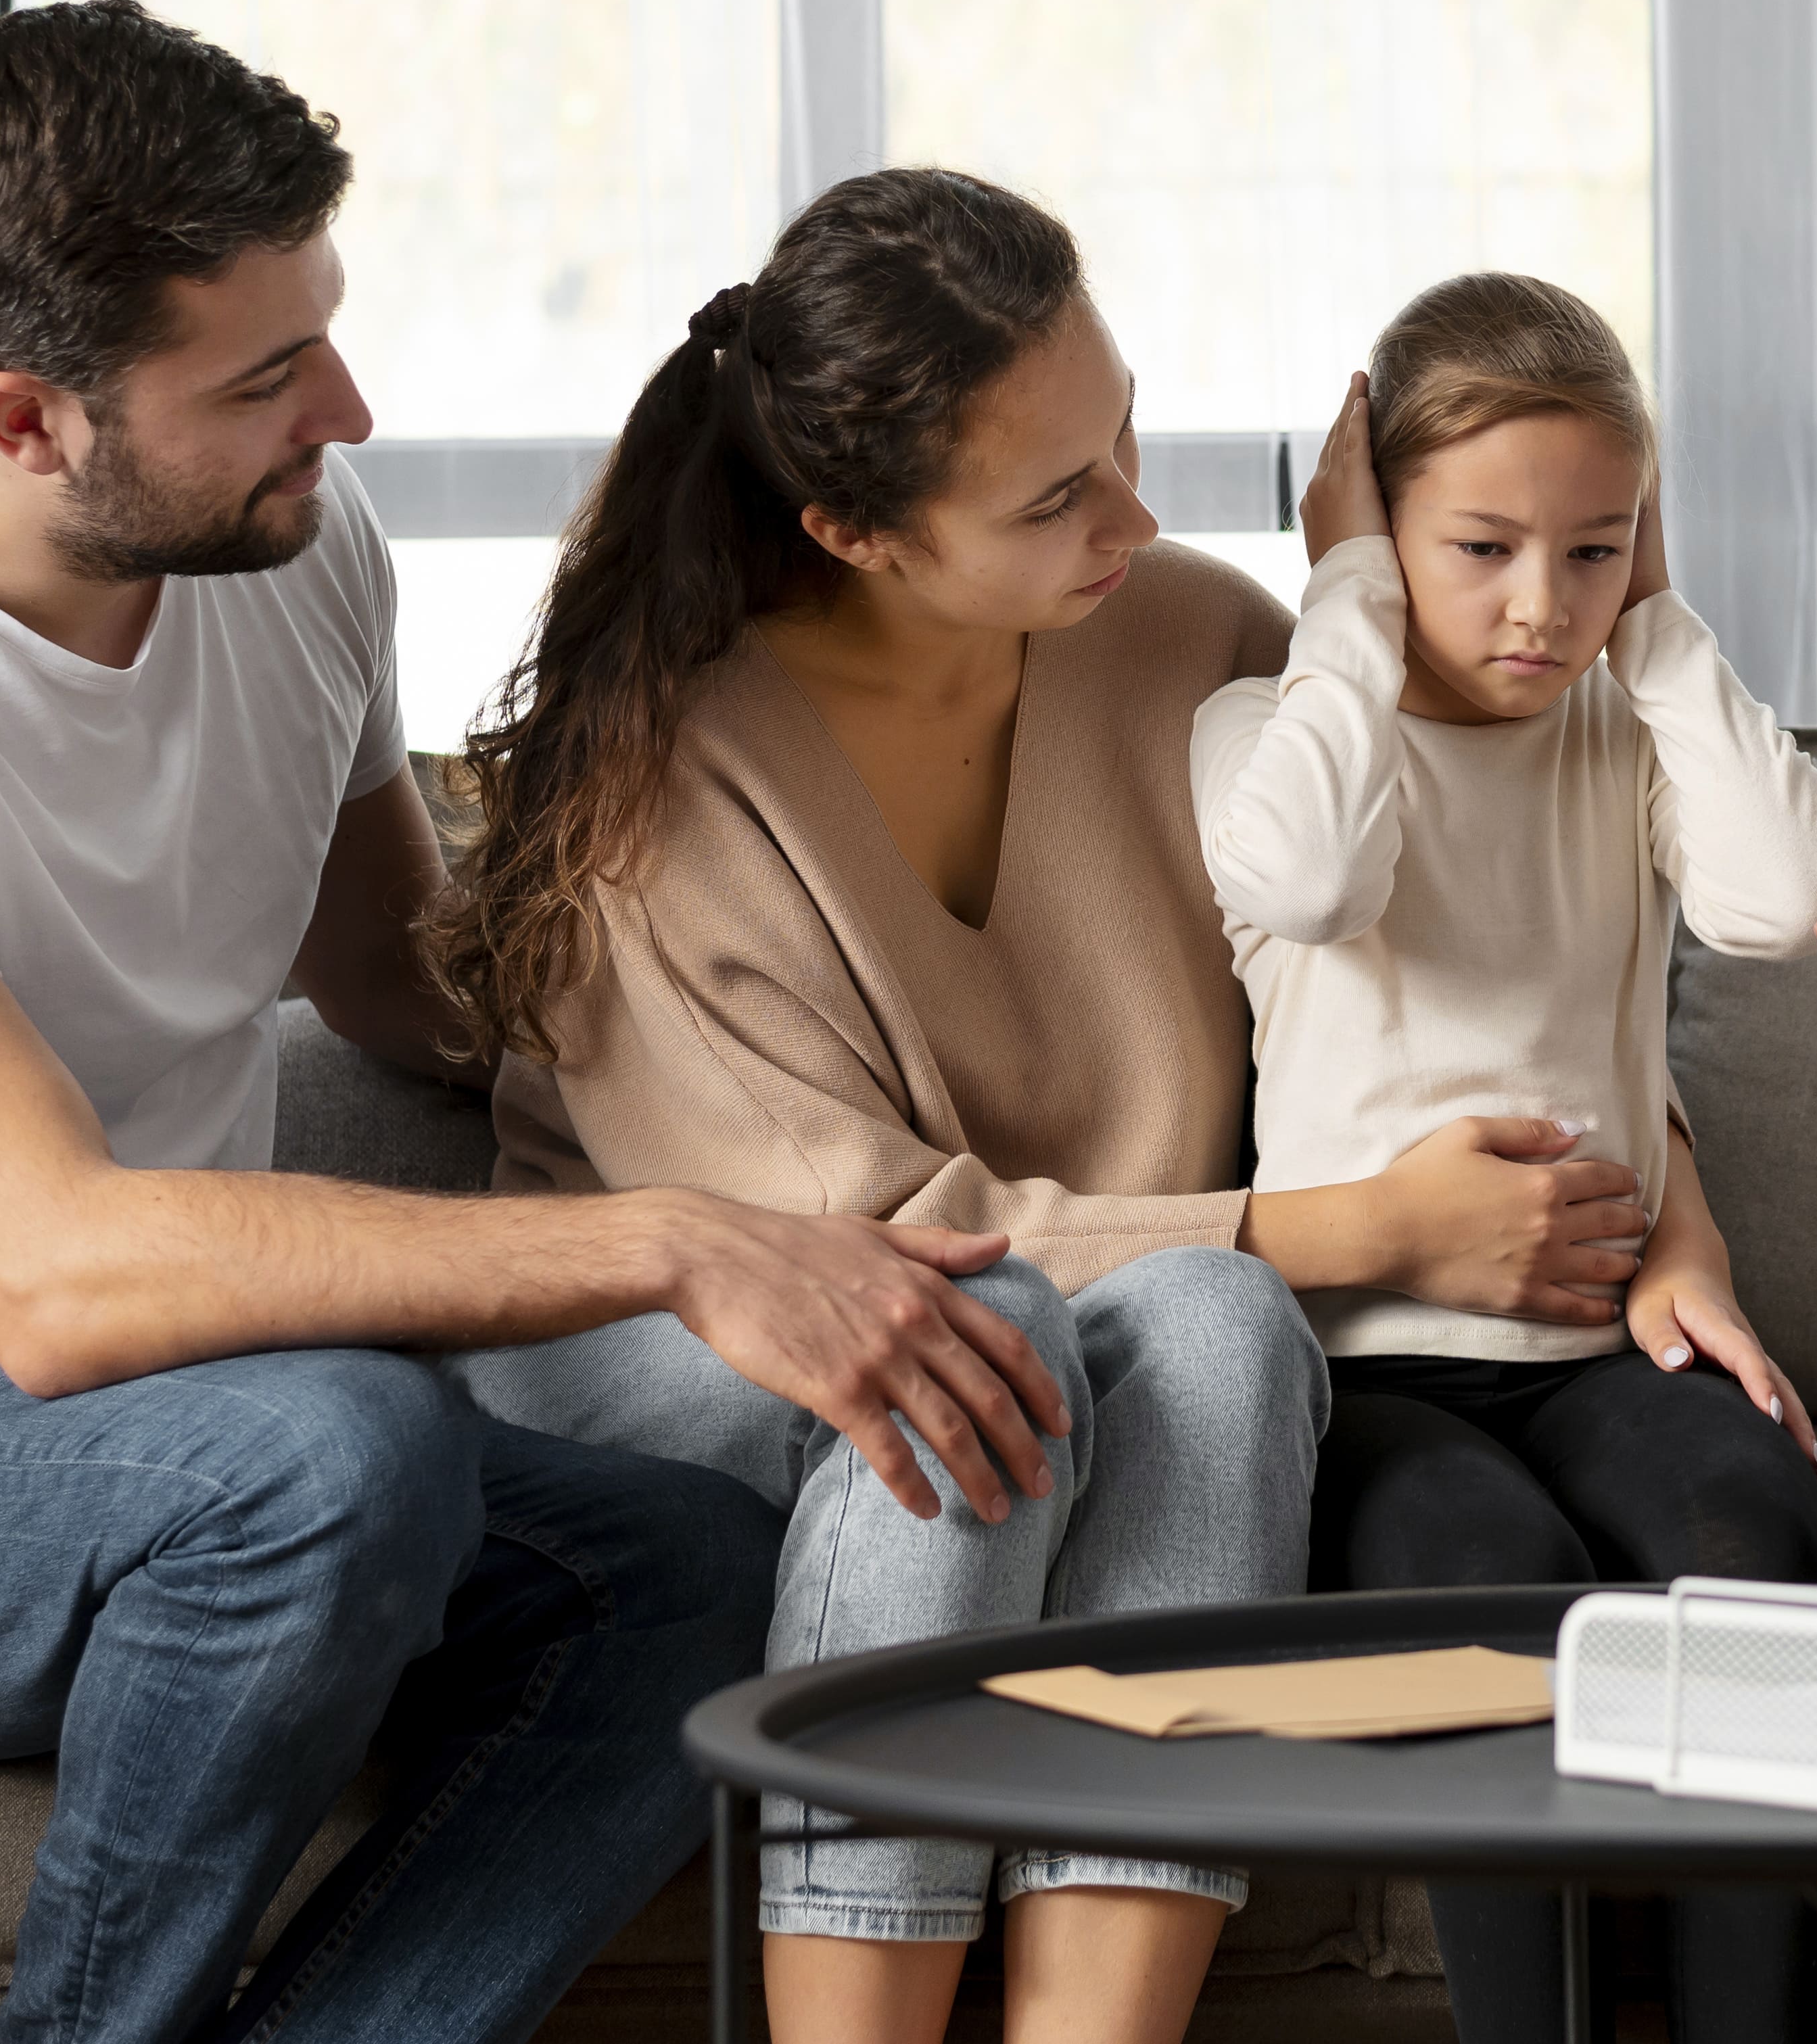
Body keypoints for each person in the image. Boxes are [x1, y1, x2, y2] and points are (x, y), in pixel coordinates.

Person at [0, 1, 1077, 2044]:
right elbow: (50, 1274)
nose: (346, 413)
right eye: (264, 377)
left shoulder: (286, 555)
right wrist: (675, 1242)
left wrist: (771, 1036)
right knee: (334, 1445)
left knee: (694, 1566)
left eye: (327, 334)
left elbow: (392, 974)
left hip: (196, 1396)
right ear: (26, 419)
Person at [427, 176, 1657, 2044]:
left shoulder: (1189, 634)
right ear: (853, 530)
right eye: (1054, 495)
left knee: (1221, 1321)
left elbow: (1518, 919)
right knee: (984, 1321)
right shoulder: (655, 781)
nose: (1135, 516)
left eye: (1124, 435)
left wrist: (1365, 593)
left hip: (1116, 1309)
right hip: (687, 1339)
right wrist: (1369, 1232)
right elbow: (852, 1252)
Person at [1193, 273, 1817, 2044]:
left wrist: (1663, 631)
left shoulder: (1623, 737)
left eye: (1592, 550)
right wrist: (1345, 586)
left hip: (1595, 1344)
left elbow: (1796, 899)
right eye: (1481, 547)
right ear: (1377, 526)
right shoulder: (1264, 740)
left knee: (1747, 1529)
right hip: (1360, 1366)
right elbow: (1311, 883)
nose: (1539, 604)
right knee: (1492, 1578)